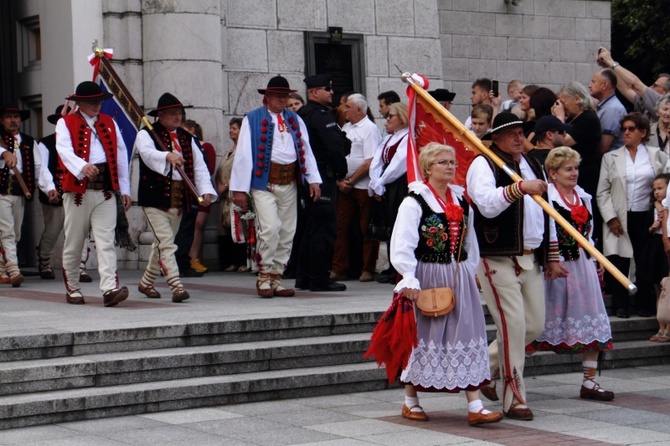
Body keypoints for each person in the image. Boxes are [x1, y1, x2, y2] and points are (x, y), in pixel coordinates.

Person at [392, 142, 503, 426]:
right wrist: (408, 276)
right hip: (426, 276)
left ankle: (475, 406)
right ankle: (410, 401)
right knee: (423, 336)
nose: (450, 167)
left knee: (465, 334)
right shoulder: (414, 201)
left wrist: (470, 269)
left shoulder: (462, 200)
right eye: (443, 162)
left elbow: (471, 241)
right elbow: (403, 242)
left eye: (452, 162)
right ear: (428, 167)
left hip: (456, 276)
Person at [466, 112, 565, 421]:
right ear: (495, 138)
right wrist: (519, 188)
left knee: (533, 325)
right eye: (511, 133)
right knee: (513, 327)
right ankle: (515, 397)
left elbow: (548, 213)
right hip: (496, 256)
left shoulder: (534, 164)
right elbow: (485, 203)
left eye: (521, 132)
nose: (519, 137)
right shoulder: (484, 162)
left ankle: (483, 369)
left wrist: (552, 255)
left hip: (530, 256)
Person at [527, 146, 614, 401]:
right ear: (552, 173)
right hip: (556, 268)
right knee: (536, 325)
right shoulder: (547, 199)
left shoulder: (584, 197)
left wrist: (596, 257)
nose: (574, 173)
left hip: (582, 268)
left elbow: (588, 234)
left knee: (594, 320)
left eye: (575, 168)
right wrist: (550, 260)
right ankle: (503, 374)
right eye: (568, 169)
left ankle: (589, 381)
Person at [230, 75, 322, 298]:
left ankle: (276, 277)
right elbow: (242, 155)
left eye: (285, 96)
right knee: (270, 229)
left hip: (289, 182)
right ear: (267, 97)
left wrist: (313, 179)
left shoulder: (295, 120)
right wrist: (240, 189)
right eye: (278, 96)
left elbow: (305, 150)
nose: (282, 100)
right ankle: (263, 275)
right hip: (263, 182)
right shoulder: (252, 119)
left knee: (287, 231)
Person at [55, 81, 132, 306]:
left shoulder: (110, 122)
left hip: (106, 191)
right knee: (74, 242)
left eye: (99, 101)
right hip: (78, 192)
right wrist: (80, 166)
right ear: (79, 102)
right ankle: (73, 287)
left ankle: (109, 289)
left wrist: (124, 188)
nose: (97, 105)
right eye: (92, 101)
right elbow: (63, 149)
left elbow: (120, 155)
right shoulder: (65, 122)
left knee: (106, 241)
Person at [134, 93, 216, 302]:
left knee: (162, 243)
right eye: (172, 113)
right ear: (160, 115)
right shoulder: (146, 135)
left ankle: (146, 282)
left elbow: (199, 166)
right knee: (168, 244)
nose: (177, 117)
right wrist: (166, 155)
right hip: (155, 198)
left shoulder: (188, 138)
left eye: (179, 113)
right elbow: (148, 155)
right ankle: (176, 285)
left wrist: (205, 190)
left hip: (179, 198)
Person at [597, 112, 670, 318]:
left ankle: (644, 303)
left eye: (631, 129)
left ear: (643, 132)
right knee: (619, 258)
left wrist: (659, 207)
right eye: (624, 129)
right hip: (619, 214)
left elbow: (665, 182)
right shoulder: (611, 157)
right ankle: (621, 304)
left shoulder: (656, 155)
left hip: (647, 215)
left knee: (644, 258)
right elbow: (602, 191)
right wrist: (610, 217)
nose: (626, 132)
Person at [295, 74, 350, 292]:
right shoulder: (319, 116)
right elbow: (336, 146)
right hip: (322, 178)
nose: (332, 92)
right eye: (327, 89)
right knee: (324, 231)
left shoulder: (303, 115)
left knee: (310, 229)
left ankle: (304, 277)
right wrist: (340, 172)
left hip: (307, 179)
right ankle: (319, 278)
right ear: (314, 93)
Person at [36, 105, 93, 282]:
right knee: (52, 231)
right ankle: (44, 261)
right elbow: (42, 168)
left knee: (80, 231)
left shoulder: (84, 142)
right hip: (56, 195)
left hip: (78, 193)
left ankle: (79, 267)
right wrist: (50, 188)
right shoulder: (45, 143)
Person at [331, 93, 381, 283]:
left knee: (366, 229)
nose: (344, 109)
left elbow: (370, 161)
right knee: (340, 227)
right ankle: (339, 268)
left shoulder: (369, 129)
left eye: (348, 106)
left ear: (359, 109)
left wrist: (350, 181)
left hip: (361, 186)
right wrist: (340, 180)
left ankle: (367, 268)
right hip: (345, 185)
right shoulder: (346, 127)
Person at [369, 102, 409, 284]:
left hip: (398, 183)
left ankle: (399, 269)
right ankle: (392, 267)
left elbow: (399, 164)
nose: (386, 121)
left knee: (398, 224)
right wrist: (375, 181)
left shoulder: (407, 137)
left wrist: (382, 181)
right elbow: (378, 160)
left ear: (401, 118)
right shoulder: (389, 138)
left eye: (389, 117)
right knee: (389, 225)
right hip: (387, 183)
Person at [0, 103, 38, 287]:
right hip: (1, 192)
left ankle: (1, 268)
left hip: (20, 193)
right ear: (2, 120)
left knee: (15, 234)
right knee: (6, 231)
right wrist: (4, 152)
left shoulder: (29, 142)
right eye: (8, 117)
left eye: (15, 117)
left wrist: (49, 188)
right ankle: (14, 269)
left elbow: (39, 167)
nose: (13, 120)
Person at [596, 47, 669, 123]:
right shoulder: (649, 103)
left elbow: (634, 84)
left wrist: (611, 62)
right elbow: (626, 89)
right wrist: (608, 65)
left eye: (655, 85)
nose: (650, 87)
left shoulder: (660, 103)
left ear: (667, 92)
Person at [216, 117, 248, 272]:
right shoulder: (229, 151)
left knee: (239, 228)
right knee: (225, 228)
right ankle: (229, 261)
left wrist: (228, 185)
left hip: (236, 194)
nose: (231, 131)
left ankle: (242, 261)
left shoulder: (244, 150)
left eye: (234, 128)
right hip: (224, 196)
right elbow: (220, 172)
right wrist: (219, 187)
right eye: (230, 128)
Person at [183, 119, 216, 274]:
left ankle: (194, 258)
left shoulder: (205, 146)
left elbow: (208, 169)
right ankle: (183, 257)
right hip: (186, 191)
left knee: (199, 224)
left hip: (201, 189)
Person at [640, 173, 670, 338]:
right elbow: (643, 233)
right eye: (654, 189)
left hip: (667, 245)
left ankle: (668, 329)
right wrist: (653, 227)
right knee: (659, 289)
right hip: (655, 248)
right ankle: (661, 327)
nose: (657, 192)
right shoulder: (653, 207)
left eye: (661, 188)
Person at [589, 68, 627, 154]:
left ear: (604, 85)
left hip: (610, 164)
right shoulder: (607, 107)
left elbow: (603, 147)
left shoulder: (612, 109)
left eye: (593, 82)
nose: (589, 85)